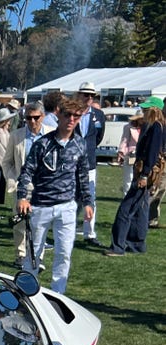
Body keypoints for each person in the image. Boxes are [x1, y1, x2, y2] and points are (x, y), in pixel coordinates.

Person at [15, 96, 94, 294]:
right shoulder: (42, 144)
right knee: (33, 253)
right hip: (41, 205)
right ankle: (27, 292)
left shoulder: (80, 145)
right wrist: (22, 196)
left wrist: (88, 202)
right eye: (68, 115)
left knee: (64, 253)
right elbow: (27, 171)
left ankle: (59, 293)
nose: (71, 119)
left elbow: (83, 176)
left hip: (67, 206)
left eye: (77, 116)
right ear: (58, 115)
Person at [106, 97, 164, 256]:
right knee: (141, 209)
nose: (143, 112)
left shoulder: (156, 127)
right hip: (146, 172)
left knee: (126, 209)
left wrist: (144, 175)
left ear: (154, 110)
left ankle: (118, 246)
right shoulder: (154, 126)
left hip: (145, 173)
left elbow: (152, 153)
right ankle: (137, 244)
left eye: (146, 109)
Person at [1, 101, 53, 267]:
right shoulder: (16, 135)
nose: (32, 121)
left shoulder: (51, 135)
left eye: (35, 118)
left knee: (41, 223)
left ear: (42, 117)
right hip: (21, 185)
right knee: (20, 224)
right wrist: (12, 179)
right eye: (28, 118)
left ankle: (38, 256)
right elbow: (7, 161)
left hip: (43, 186)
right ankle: (21, 255)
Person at [75, 82, 106, 247]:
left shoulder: (99, 115)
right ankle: (68, 231)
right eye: (85, 94)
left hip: (90, 163)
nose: (88, 98)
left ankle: (89, 233)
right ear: (79, 95)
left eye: (91, 95)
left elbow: (98, 137)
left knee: (90, 198)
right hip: (72, 163)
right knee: (72, 199)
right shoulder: (72, 113)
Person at [117, 111, 143, 195]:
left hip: (142, 156)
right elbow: (124, 141)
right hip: (130, 155)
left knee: (140, 177)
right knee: (129, 177)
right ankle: (126, 195)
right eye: (141, 119)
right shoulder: (128, 127)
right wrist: (121, 152)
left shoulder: (147, 128)